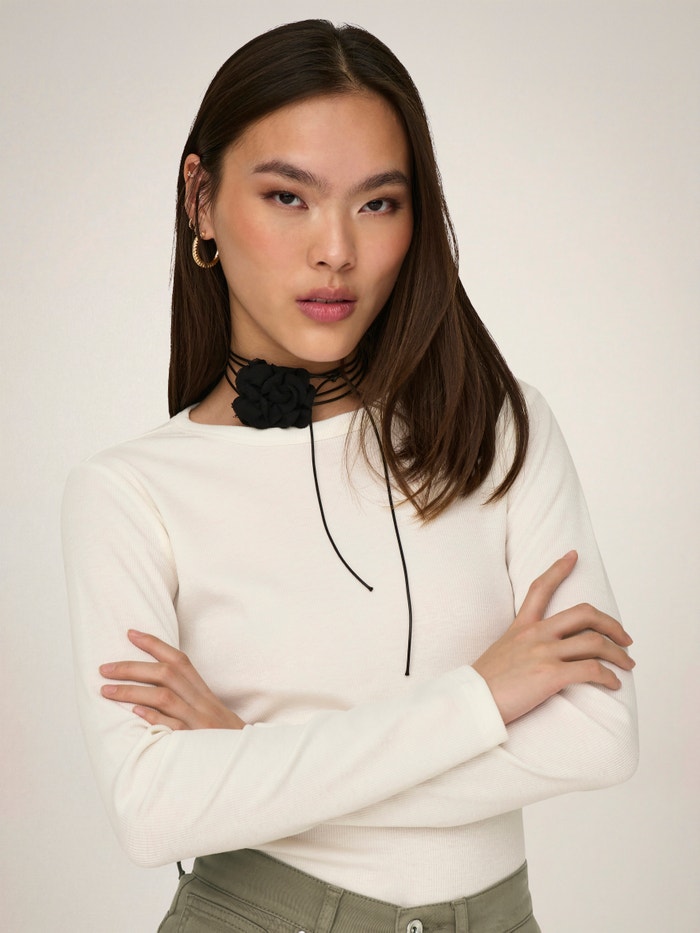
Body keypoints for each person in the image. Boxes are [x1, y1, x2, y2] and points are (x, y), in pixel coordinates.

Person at [62, 19, 638, 933]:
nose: (336, 248)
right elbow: (154, 810)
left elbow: (598, 740)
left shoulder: (496, 425)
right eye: (288, 196)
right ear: (201, 200)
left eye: (378, 203)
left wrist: (250, 758)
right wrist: (482, 696)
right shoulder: (131, 491)